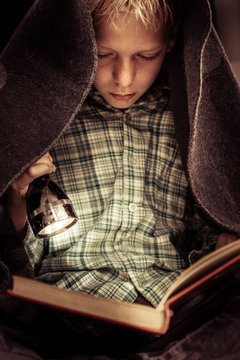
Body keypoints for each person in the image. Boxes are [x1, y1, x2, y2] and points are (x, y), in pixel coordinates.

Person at [0, 0, 240, 358]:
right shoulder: (49, 127)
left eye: (146, 55)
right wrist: (15, 202)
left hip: (175, 317)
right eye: (103, 54)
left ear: (172, 41)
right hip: (62, 319)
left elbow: (207, 230)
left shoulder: (189, 122)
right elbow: (21, 262)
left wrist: (222, 247)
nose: (124, 78)